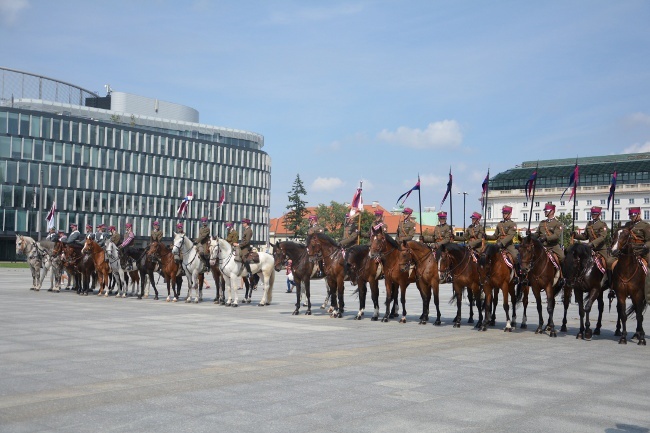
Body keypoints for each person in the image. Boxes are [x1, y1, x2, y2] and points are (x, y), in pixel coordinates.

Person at [573, 206, 612, 289]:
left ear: (599, 214)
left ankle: (610, 282)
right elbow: (585, 236)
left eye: (595, 214)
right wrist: (575, 235)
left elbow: (602, 237)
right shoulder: (589, 224)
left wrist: (592, 244)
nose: (593, 215)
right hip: (590, 248)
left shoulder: (602, 224)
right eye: (592, 214)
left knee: (609, 263)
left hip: (600, 249)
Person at [485, 205, 521, 283]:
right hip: (498, 245)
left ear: (510, 214)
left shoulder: (513, 224)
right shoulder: (499, 224)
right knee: (488, 255)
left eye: (506, 213)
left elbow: (510, 236)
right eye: (503, 213)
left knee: (515, 256)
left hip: (508, 246)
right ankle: (487, 274)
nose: (504, 214)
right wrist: (487, 236)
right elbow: (495, 236)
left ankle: (517, 275)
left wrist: (501, 243)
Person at [622, 207, 650, 303]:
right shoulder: (627, 225)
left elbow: (649, 240)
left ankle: (648, 294)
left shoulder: (645, 225)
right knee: (611, 263)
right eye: (630, 216)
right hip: (628, 252)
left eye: (633, 215)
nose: (632, 217)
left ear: (639, 215)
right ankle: (612, 286)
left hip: (642, 251)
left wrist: (646, 246)